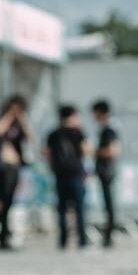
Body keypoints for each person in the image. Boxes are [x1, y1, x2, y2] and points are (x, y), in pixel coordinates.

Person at [44, 105, 91, 249]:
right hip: (76, 173)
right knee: (80, 209)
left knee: (62, 209)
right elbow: (87, 150)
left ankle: (63, 240)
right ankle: (82, 239)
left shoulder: (53, 133)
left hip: (60, 174)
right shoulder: (78, 132)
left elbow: (47, 152)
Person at [0, 95, 32, 250]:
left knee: (9, 201)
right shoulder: (3, 121)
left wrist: (21, 119)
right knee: (2, 201)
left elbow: (29, 138)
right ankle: (3, 235)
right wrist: (9, 115)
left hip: (15, 167)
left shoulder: (20, 124)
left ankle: (5, 234)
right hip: (2, 166)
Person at [91, 99, 120, 248]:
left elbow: (112, 150)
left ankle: (108, 236)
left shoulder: (109, 129)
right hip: (107, 170)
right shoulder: (108, 128)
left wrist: (92, 151)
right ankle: (108, 236)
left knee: (109, 205)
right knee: (108, 204)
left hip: (107, 171)